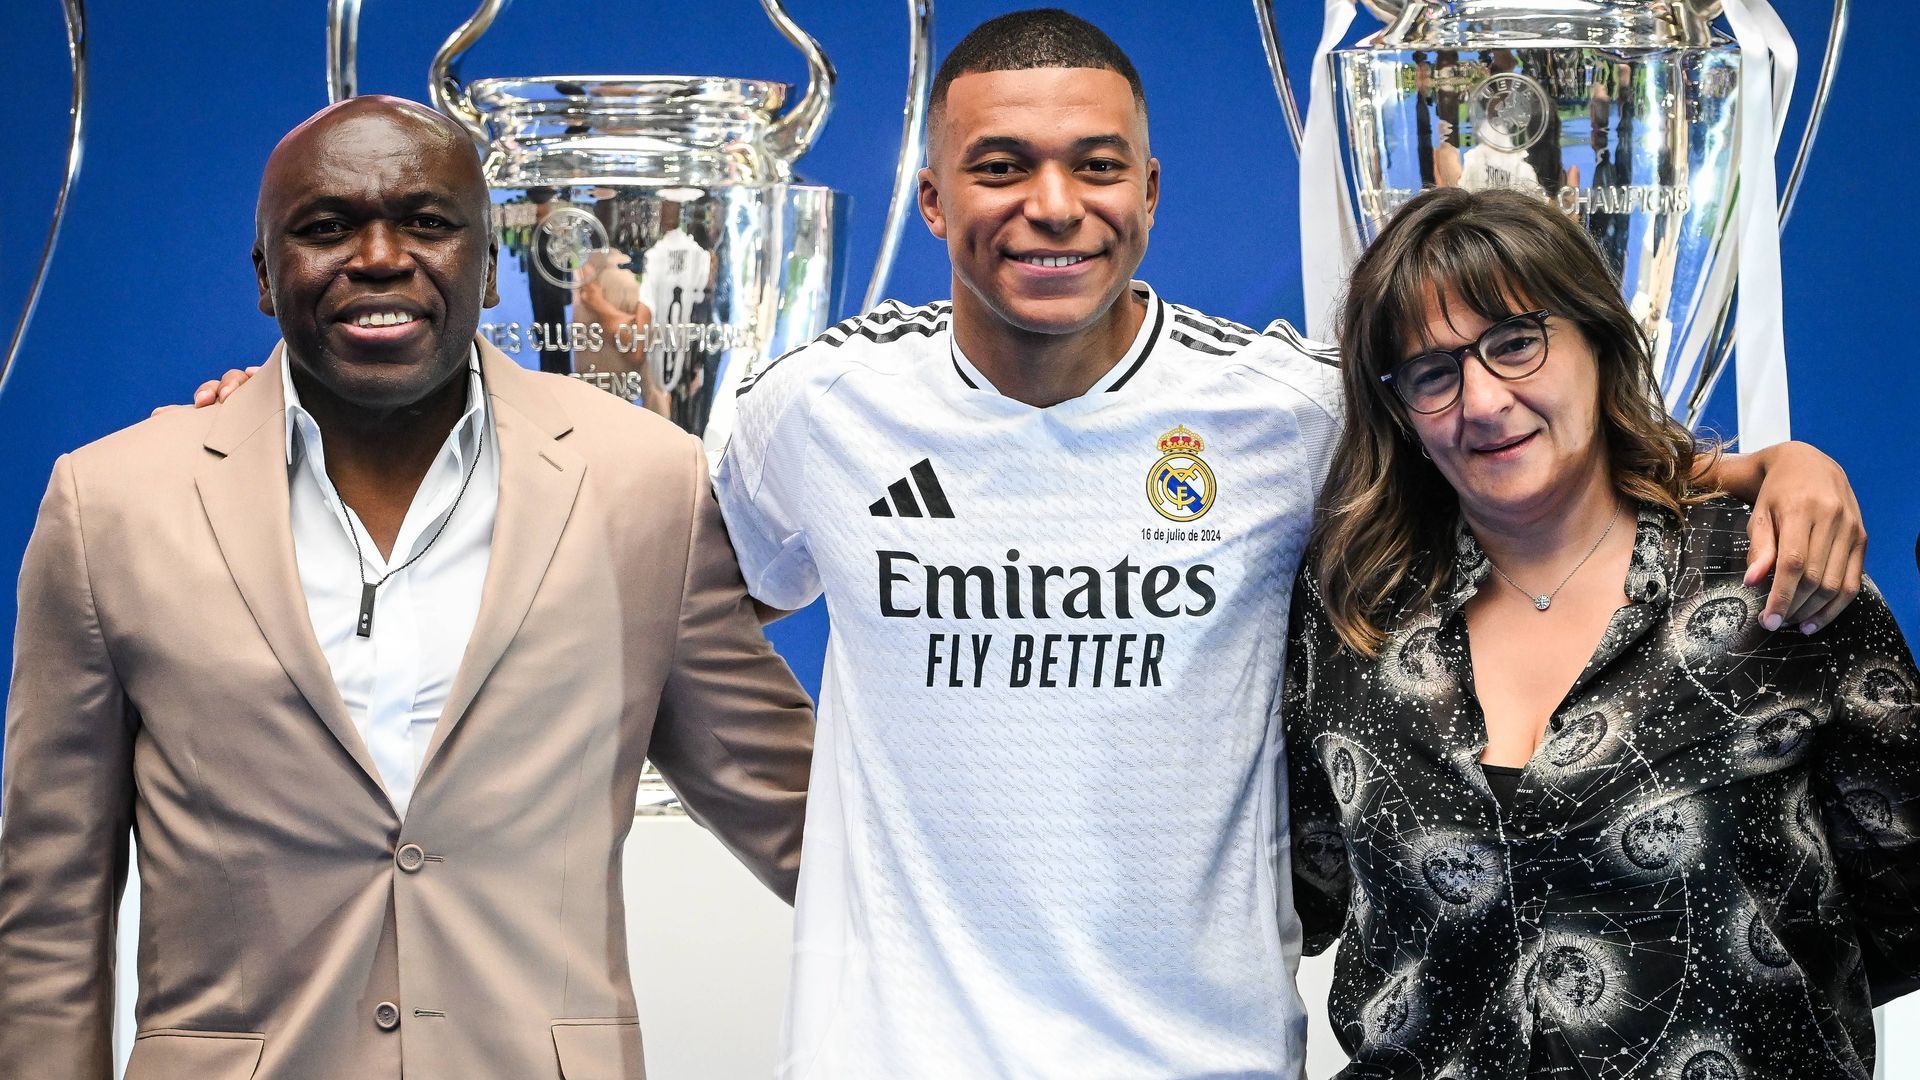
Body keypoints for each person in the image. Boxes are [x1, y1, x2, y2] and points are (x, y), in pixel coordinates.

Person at [179, 12, 1866, 1077]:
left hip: (1202, 1061)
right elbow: (588, 537)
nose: (1048, 203)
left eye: (1092, 167)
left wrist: (1763, 467)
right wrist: (318, 412)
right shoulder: (808, 413)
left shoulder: (1282, 414)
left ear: (1145, 195)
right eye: (999, 166)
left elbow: (1514, 444)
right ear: (928, 198)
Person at [0, 96, 813, 1079]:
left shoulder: (645, 479)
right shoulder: (111, 501)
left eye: (427, 223)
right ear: (264, 273)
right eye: (326, 227)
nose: (380, 256)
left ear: (489, 260)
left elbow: (808, 821)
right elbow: (50, 906)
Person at [1284, 186, 1919, 1078]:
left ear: (1597, 339)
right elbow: (1303, 891)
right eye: (1433, 373)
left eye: (1515, 343)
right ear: (1398, 410)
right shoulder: (1355, 609)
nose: (1483, 400)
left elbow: (1901, 909)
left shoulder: (1772, 576)